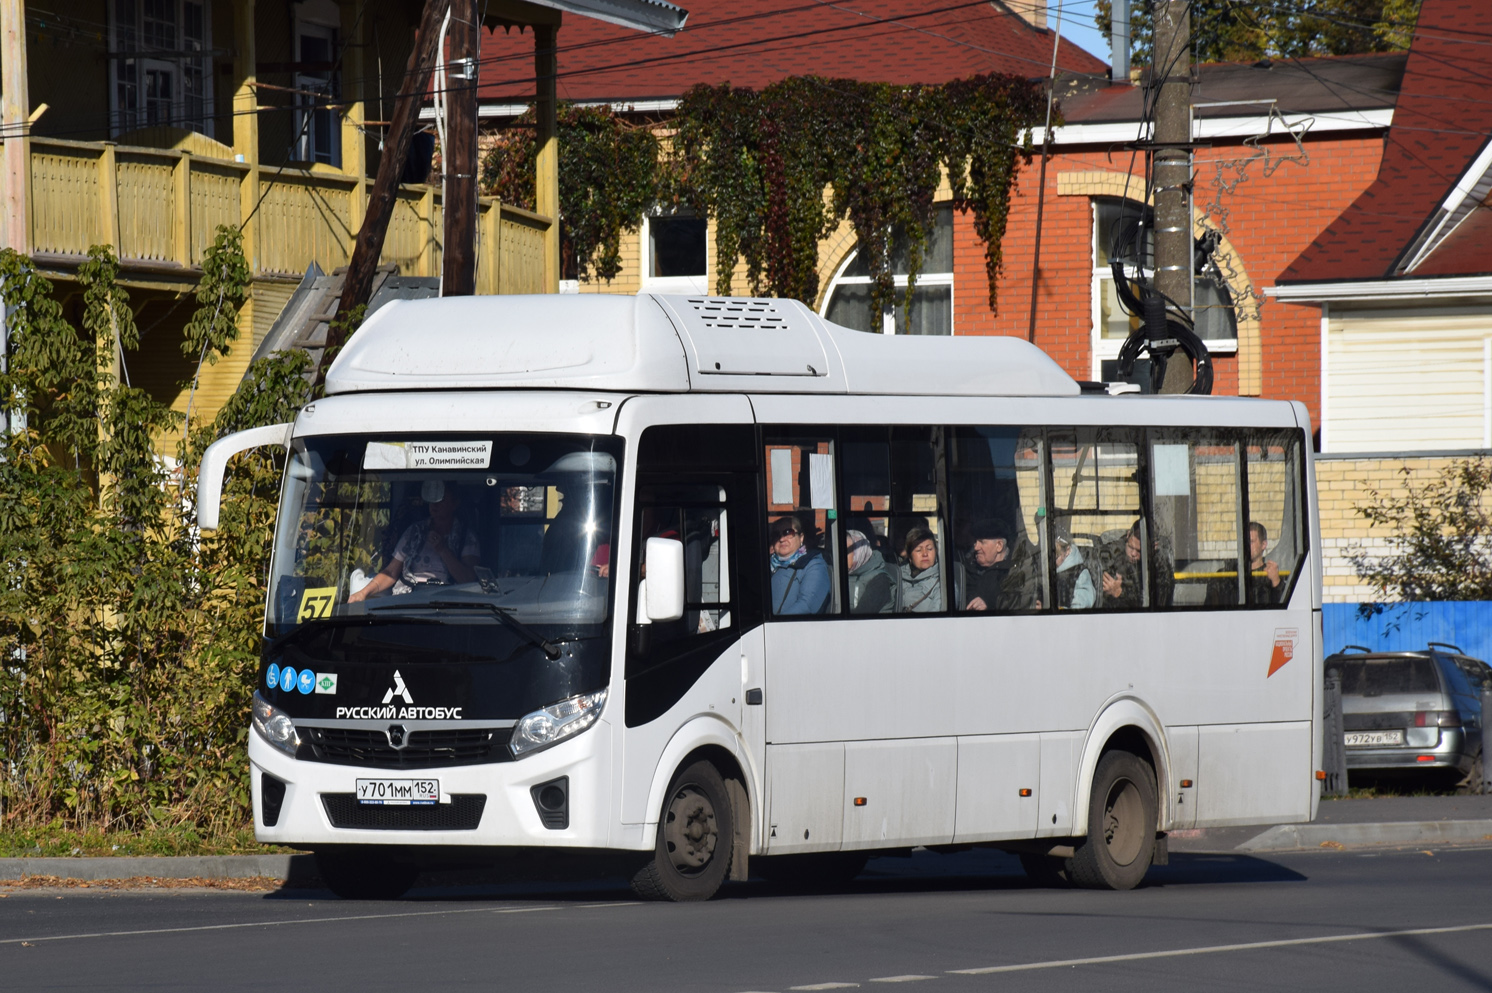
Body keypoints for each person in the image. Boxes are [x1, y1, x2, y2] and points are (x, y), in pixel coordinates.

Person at [350, 480, 479, 602]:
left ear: (455, 503)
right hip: (409, 600)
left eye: (442, 498)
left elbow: (467, 580)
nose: (435, 504)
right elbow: (391, 572)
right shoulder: (414, 532)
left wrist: (443, 550)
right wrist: (363, 593)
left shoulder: (466, 537)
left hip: (447, 602)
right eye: (432, 498)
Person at [769, 515, 830, 615]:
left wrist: (777, 623)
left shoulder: (813, 565)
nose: (782, 539)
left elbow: (807, 606)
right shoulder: (767, 565)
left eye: (788, 532)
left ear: (801, 537)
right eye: (777, 535)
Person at [963, 519, 1012, 612]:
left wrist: (989, 606)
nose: (976, 547)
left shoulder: (1015, 570)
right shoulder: (970, 568)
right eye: (975, 541)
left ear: (999, 546)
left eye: (982, 542)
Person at [846, 529, 896, 614]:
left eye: (847, 551)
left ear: (859, 552)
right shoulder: (841, 574)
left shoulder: (880, 581)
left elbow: (861, 617)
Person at [1100, 521, 1145, 609]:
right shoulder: (1112, 554)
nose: (1133, 553)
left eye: (1139, 551)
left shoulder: (1157, 563)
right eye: (1131, 547)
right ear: (1128, 535)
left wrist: (1119, 592)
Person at [898, 526, 943, 613]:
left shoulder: (943, 583)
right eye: (919, 550)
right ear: (910, 557)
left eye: (929, 549)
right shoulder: (898, 577)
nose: (925, 554)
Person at [1053, 526, 1096, 610]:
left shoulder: (1080, 573)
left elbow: (1082, 603)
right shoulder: (1048, 570)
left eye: (1056, 557)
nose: (1053, 563)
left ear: (1067, 550)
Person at [1249, 521, 1282, 603]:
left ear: (1263, 544)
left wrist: (1276, 581)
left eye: (1251, 541)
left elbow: (1283, 605)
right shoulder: (1232, 573)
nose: (1246, 546)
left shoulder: (1271, 574)